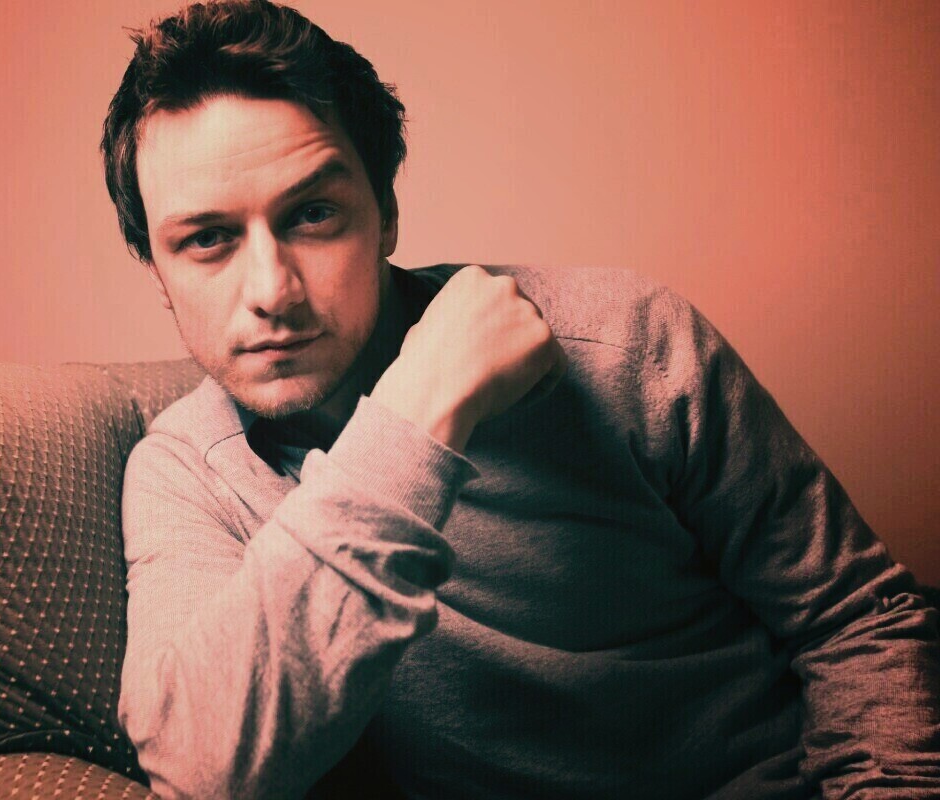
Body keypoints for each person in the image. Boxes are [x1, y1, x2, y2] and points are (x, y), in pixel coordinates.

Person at [99, 1, 940, 797]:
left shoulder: (625, 342)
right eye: (207, 239)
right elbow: (207, 774)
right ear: (158, 274)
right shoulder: (185, 474)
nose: (271, 291)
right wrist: (414, 418)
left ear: (385, 214)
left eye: (314, 214)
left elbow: (856, 618)